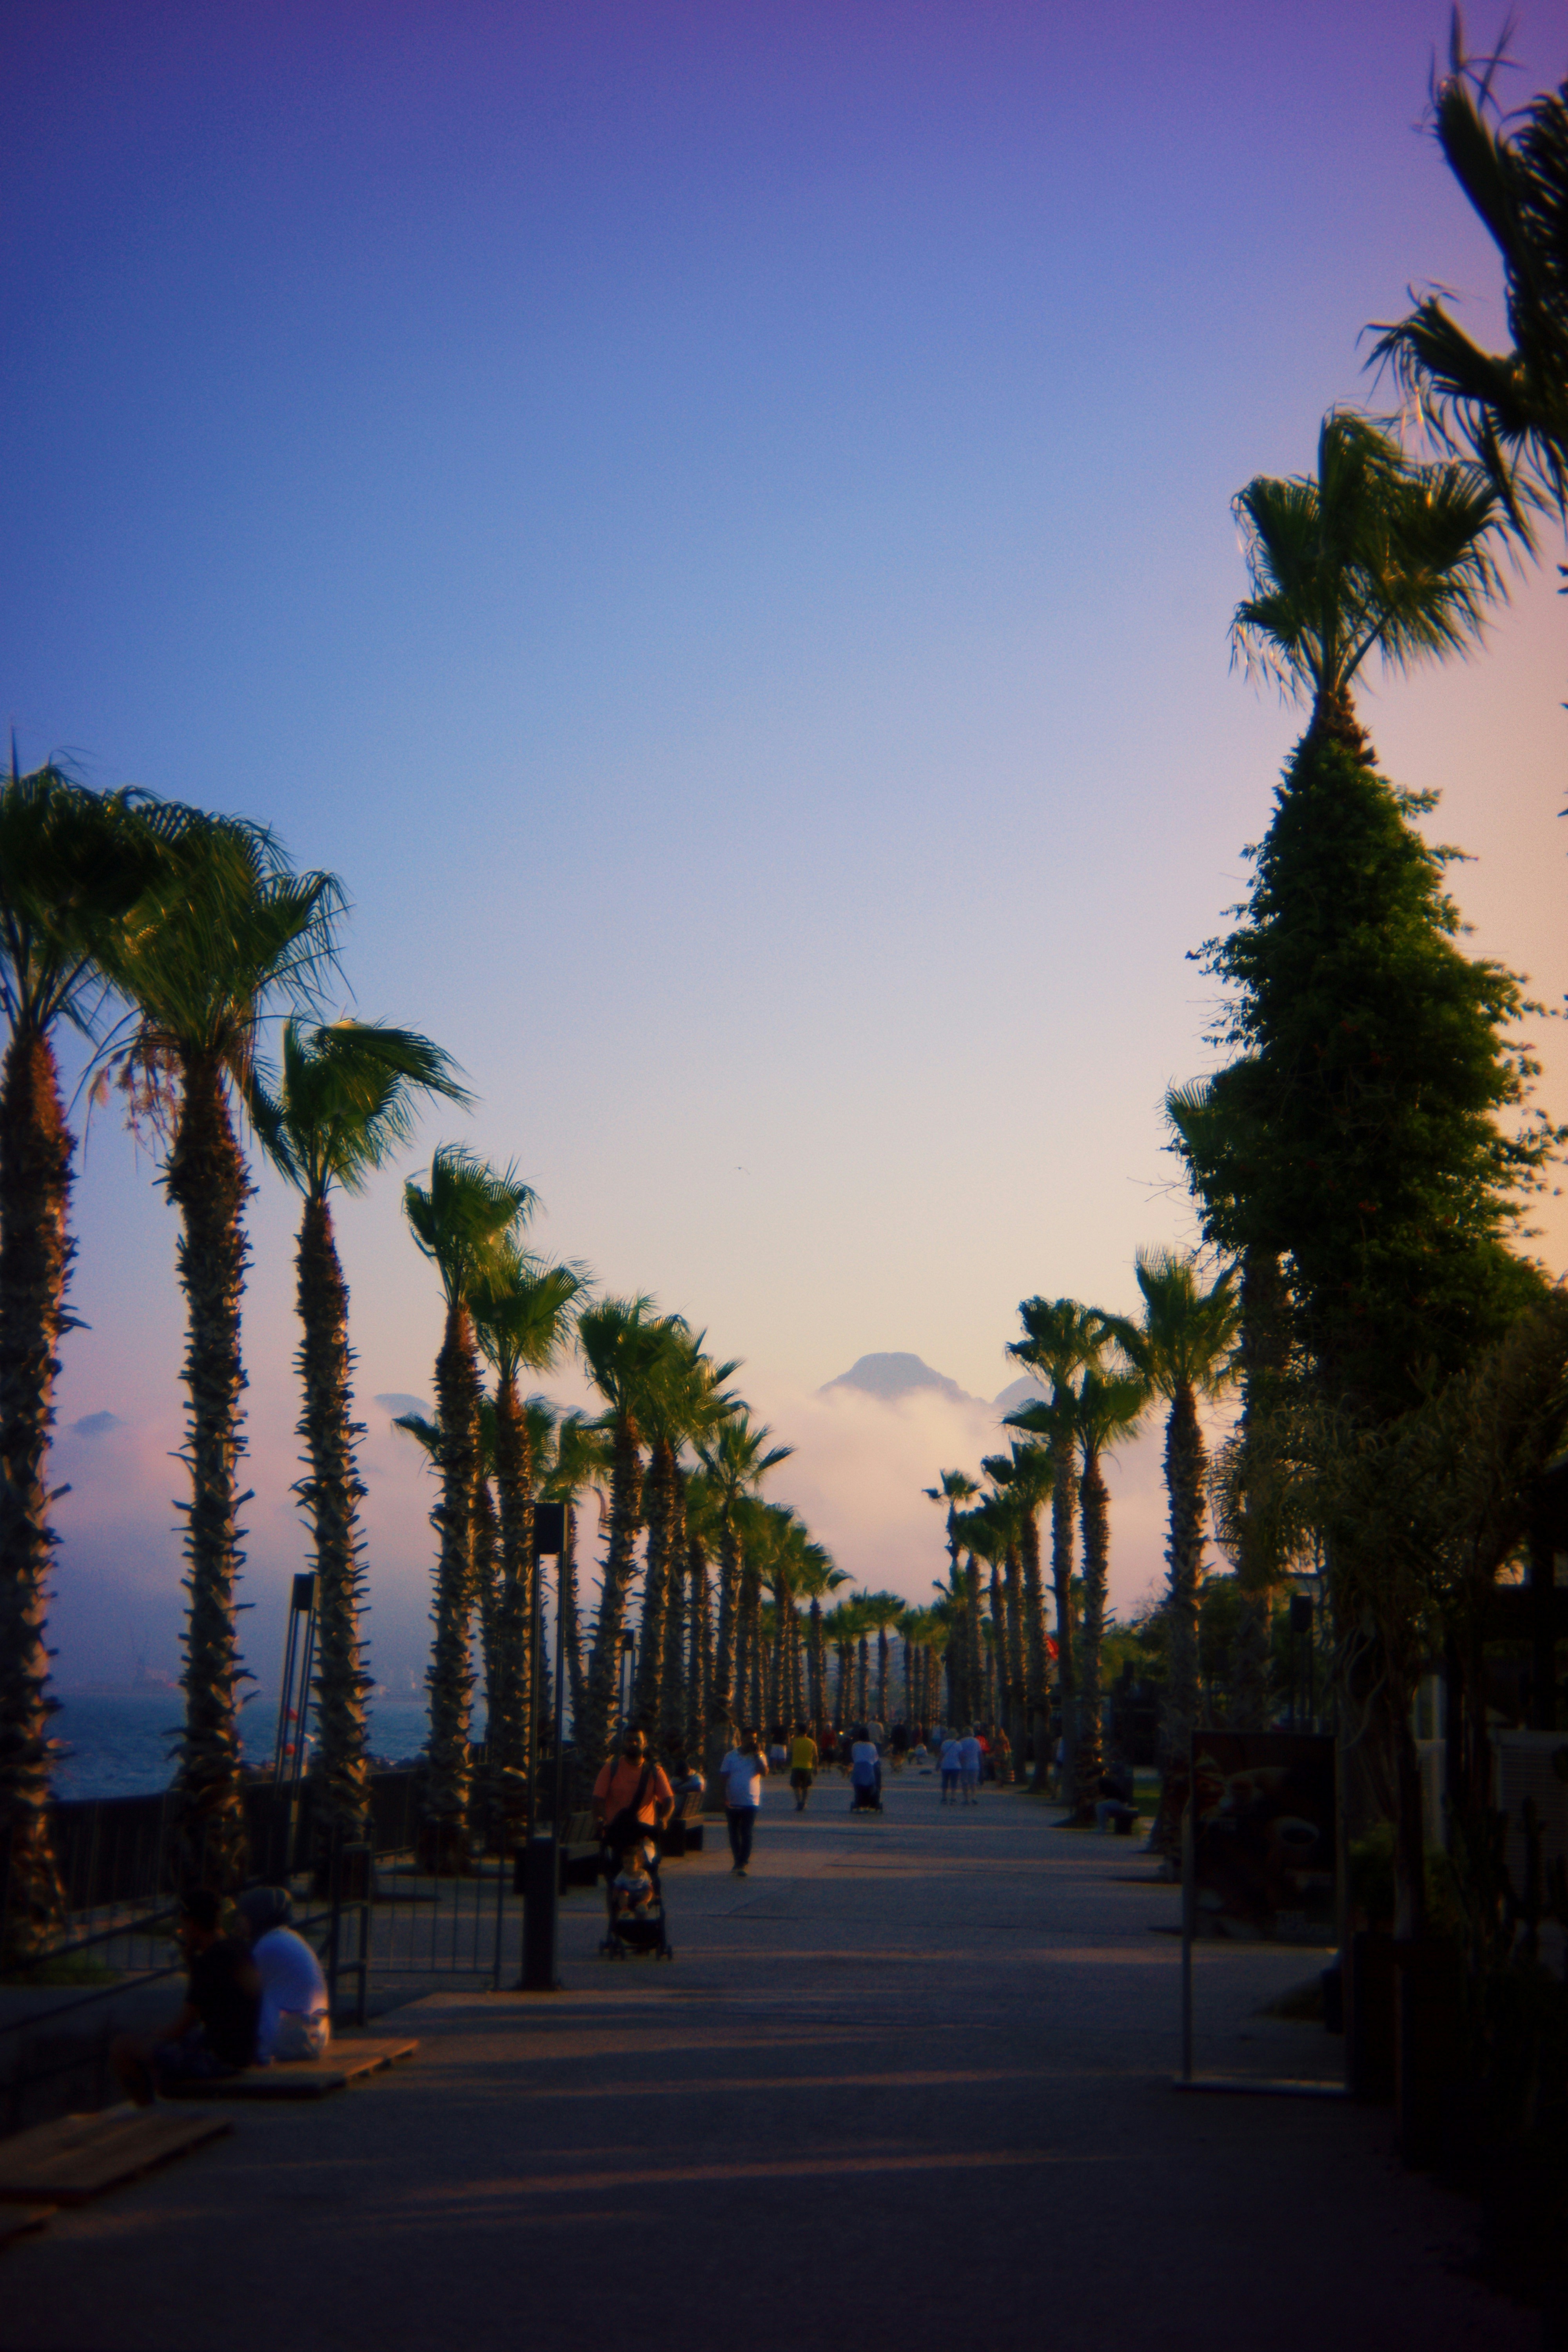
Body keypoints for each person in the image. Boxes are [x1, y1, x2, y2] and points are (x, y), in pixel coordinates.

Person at [111, 1889, 260, 2104]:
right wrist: (192, 1961)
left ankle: (146, 2111)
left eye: (183, 1924)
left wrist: (151, 2035)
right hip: (244, 2053)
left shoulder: (209, 1962)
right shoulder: (239, 1948)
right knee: (160, 2053)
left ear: (192, 1923)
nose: (182, 1930)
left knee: (122, 2047)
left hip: (219, 2060)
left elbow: (180, 2027)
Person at [236, 1885, 330, 2063]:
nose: (239, 1922)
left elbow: (241, 1989)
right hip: (314, 2035)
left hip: (288, 2038)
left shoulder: (267, 1946)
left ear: (257, 1917)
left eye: (243, 1916)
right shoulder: (288, 1938)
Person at [593, 1729, 674, 1860]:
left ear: (645, 1743)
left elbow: (669, 1800)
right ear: (623, 1743)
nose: (634, 1743)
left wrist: (664, 1819)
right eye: (629, 1740)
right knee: (614, 1865)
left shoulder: (655, 1772)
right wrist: (602, 1820)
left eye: (637, 1740)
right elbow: (598, 1799)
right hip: (617, 1834)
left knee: (649, 1863)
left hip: (644, 1835)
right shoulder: (610, 1769)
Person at [719, 1726, 768, 1875]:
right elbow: (723, 1777)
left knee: (746, 1832)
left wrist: (757, 1755)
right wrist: (724, 1796)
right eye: (749, 1739)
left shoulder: (759, 1756)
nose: (752, 1742)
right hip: (733, 1801)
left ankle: (743, 1862)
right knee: (734, 1833)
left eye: (754, 1739)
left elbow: (765, 1772)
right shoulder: (731, 1756)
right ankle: (738, 1860)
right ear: (742, 1740)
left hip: (751, 1801)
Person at [848, 1727, 881, 1812]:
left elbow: (854, 1757)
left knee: (858, 1786)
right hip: (869, 1768)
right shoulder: (872, 1746)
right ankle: (873, 1801)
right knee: (874, 1782)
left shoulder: (855, 1745)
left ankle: (859, 1801)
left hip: (858, 1769)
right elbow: (875, 1758)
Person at [788, 1723, 818, 1811]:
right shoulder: (812, 1743)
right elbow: (816, 1756)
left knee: (796, 1786)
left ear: (798, 1731)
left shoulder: (794, 1742)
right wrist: (816, 1768)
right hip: (808, 1767)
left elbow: (790, 1753)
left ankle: (799, 1802)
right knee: (806, 1787)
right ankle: (804, 1802)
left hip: (796, 1767)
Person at [958, 1726, 983, 1807]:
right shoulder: (977, 1741)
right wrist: (981, 1763)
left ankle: (966, 1799)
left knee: (965, 1782)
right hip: (975, 1765)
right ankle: (974, 1797)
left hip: (965, 1765)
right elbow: (980, 1753)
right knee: (974, 1782)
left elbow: (960, 1754)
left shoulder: (962, 1742)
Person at [938, 1730, 962, 1805]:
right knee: (954, 1782)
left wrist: (938, 1764)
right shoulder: (958, 1744)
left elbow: (941, 1755)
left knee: (945, 1782)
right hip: (956, 1766)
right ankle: (953, 1798)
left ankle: (944, 1797)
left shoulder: (945, 1743)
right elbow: (961, 1756)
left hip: (945, 1766)